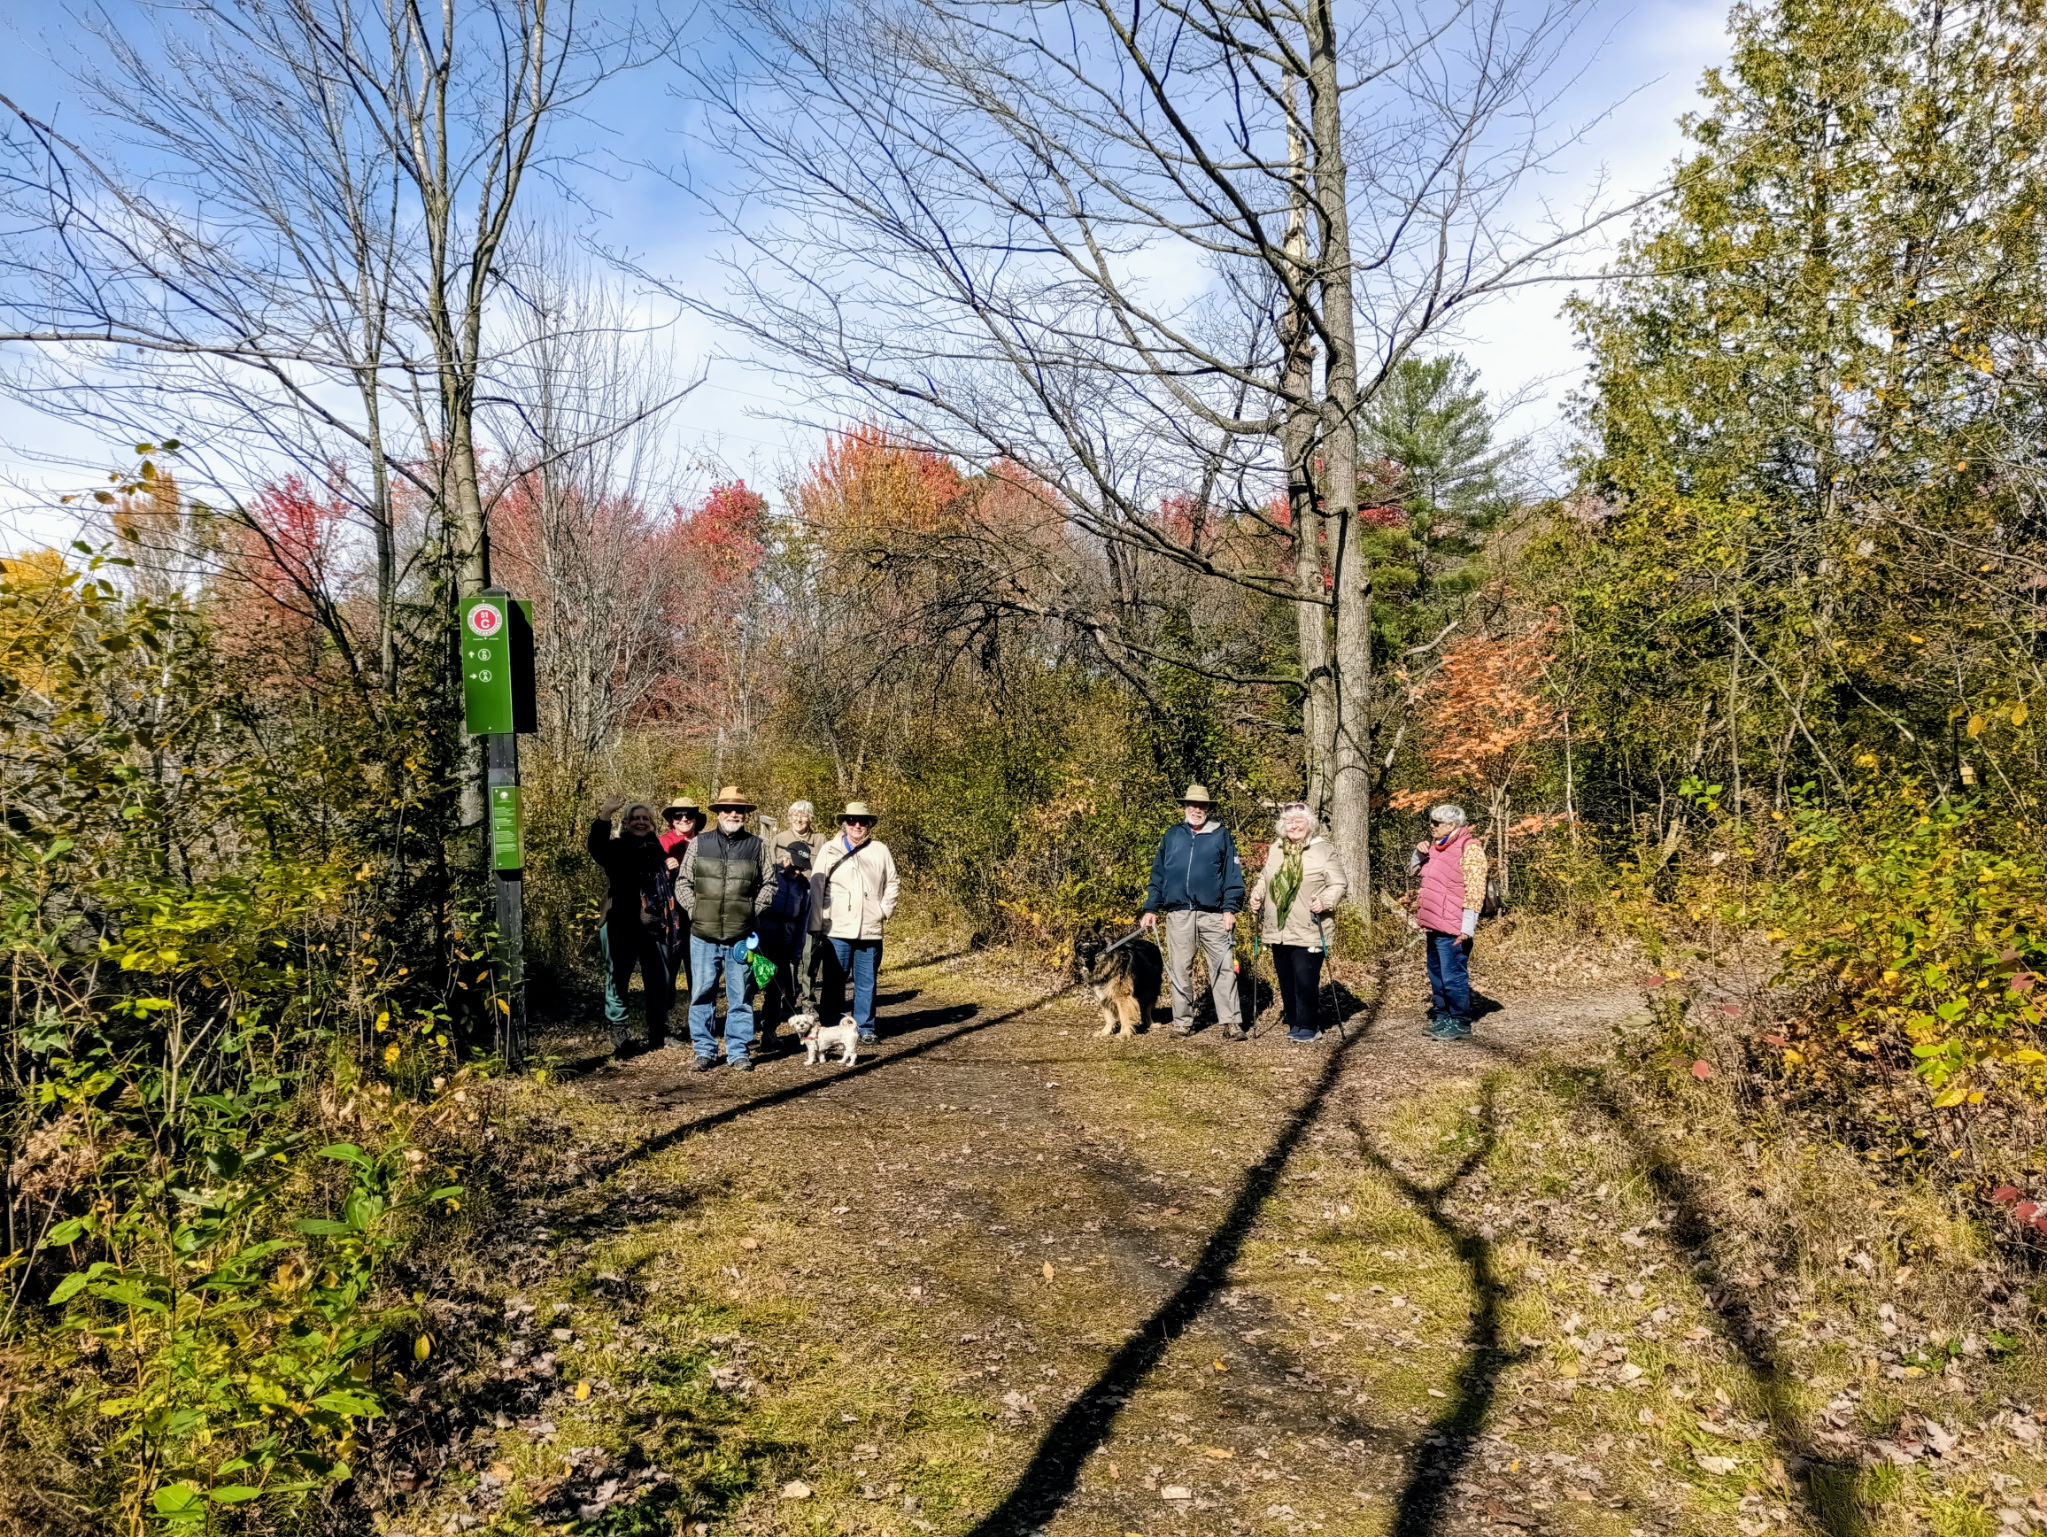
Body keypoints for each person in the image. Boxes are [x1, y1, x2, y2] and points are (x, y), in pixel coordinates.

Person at [677, 786, 775, 1072]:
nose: (734, 813)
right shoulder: (699, 843)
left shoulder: (757, 846)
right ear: (718, 813)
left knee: (741, 995)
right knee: (702, 992)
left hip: (740, 937)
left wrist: (750, 912)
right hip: (702, 936)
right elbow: (683, 882)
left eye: (740, 810)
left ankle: (738, 1050)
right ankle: (704, 1050)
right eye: (728, 809)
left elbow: (770, 884)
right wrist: (695, 909)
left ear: (746, 814)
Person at [1138, 783, 1247, 1038]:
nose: (1197, 809)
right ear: (1185, 807)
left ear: (1208, 808)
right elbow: (1158, 874)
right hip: (1178, 914)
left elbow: (1233, 875)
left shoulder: (1222, 835)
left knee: (1223, 968)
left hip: (1214, 914)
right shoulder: (1172, 835)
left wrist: (1230, 908)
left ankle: (1231, 1022)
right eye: (1192, 804)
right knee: (1179, 968)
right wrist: (1151, 907)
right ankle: (1182, 1022)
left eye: (1202, 805)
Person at [587, 796, 683, 1056]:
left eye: (645, 819)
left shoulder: (658, 851)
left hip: (654, 924)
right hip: (620, 922)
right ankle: (619, 1031)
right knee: (618, 978)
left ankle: (658, 1032)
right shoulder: (616, 848)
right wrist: (605, 813)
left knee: (659, 979)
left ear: (652, 824)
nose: (640, 822)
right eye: (635, 819)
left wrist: (670, 866)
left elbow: (664, 888)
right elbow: (596, 846)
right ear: (626, 824)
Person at [1249, 802, 1349, 1042]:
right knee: (1286, 977)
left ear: (1309, 825)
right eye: (1289, 822)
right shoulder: (1276, 848)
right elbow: (1266, 876)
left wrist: (1325, 901)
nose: (1293, 826)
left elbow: (1339, 883)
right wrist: (1257, 894)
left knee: (1305, 978)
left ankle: (1309, 1025)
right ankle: (1294, 1020)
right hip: (1278, 927)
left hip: (1309, 925)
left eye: (1299, 822)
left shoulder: (1323, 849)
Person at [812, 801, 899, 1043]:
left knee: (867, 981)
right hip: (837, 927)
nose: (857, 825)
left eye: (862, 821)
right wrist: (819, 920)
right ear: (844, 824)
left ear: (870, 824)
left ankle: (865, 1027)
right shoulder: (830, 849)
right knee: (833, 981)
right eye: (852, 821)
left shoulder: (880, 850)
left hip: (870, 928)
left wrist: (883, 910)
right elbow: (817, 886)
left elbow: (892, 882)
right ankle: (830, 1025)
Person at [1408, 803, 1489, 1042]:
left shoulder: (1470, 848)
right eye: (1432, 822)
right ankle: (1443, 1016)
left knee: (1453, 975)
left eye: (1436, 823)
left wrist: (1467, 926)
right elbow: (1414, 871)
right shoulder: (1435, 848)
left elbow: (1475, 889)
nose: (1431, 827)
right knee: (1436, 974)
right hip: (1434, 923)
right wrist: (1419, 853)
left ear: (1452, 825)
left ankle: (1460, 1021)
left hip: (1454, 926)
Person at [763, 801, 821, 1025]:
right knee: (771, 972)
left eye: (804, 815)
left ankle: (804, 1003)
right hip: (772, 924)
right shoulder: (778, 845)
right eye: (795, 815)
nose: (799, 819)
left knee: (803, 961)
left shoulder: (819, 842)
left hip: (801, 913)